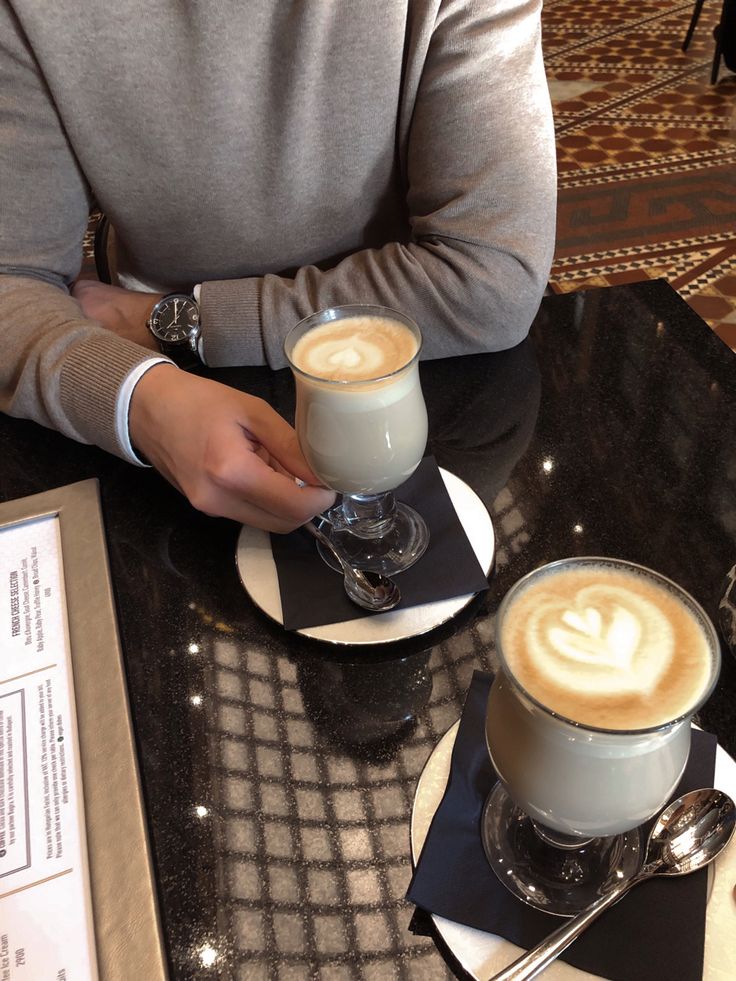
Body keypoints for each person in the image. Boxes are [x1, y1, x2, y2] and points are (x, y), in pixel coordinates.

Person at [0, 0, 556, 532]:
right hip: (157, 380)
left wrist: (186, 320)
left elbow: (492, 279)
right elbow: (13, 280)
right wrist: (138, 402)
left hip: (423, 351)